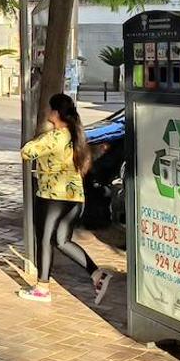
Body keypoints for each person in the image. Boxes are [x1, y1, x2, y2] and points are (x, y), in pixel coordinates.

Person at [19, 93, 113, 304]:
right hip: (74, 198)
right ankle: (97, 273)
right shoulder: (76, 134)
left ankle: (42, 288)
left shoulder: (55, 137)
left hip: (52, 197)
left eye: (51, 109)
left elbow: (26, 152)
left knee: (44, 239)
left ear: (56, 113)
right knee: (62, 240)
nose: (48, 112)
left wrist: (41, 136)